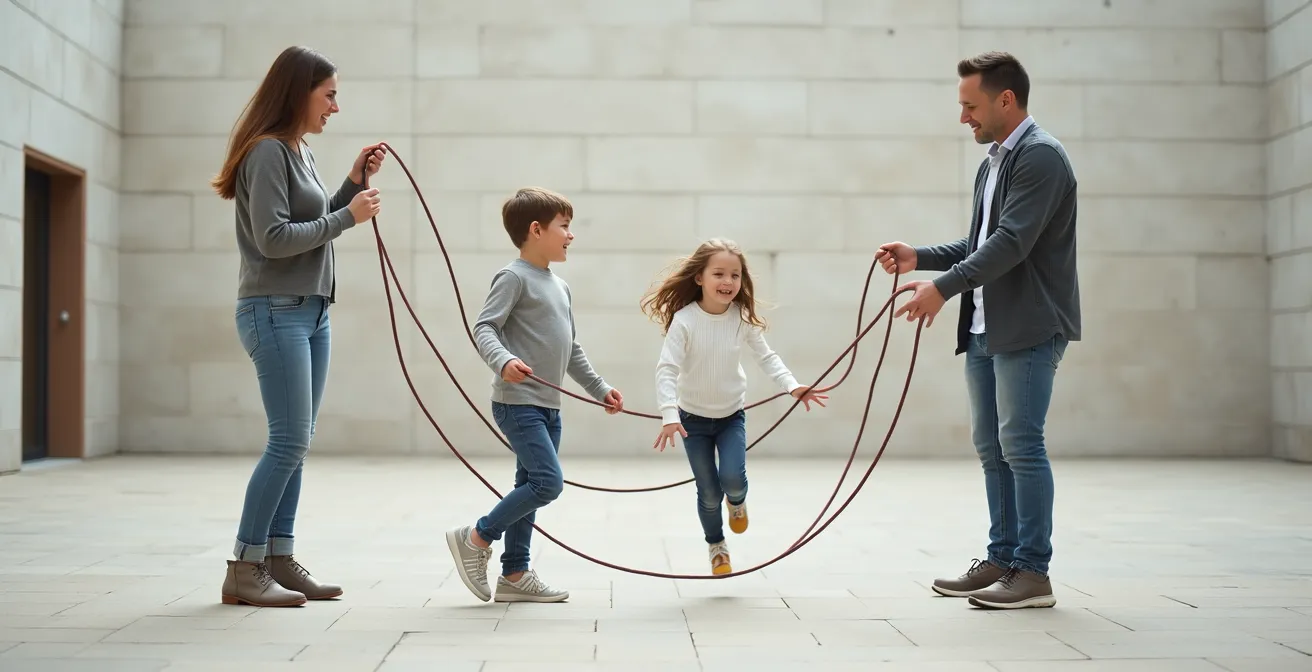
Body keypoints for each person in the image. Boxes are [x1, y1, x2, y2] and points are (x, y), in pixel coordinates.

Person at [876, 51, 1080, 610]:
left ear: (1005, 100)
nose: (963, 116)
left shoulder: (1041, 159)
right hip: (989, 326)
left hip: (1030, 324)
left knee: (1021, 445)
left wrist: (942, 289)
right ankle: (1003, 557)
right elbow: (981, 244)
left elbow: (1013, 244)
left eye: (970, 105)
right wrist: (919, 257)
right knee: (992, 448)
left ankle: (1033, 572)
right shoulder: (993, 162)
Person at [211, 45, 386, 607]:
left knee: (297, 443)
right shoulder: (266, 153)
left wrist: (351, 185)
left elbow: (311, 220)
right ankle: (244, 566)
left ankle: (277, 556)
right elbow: (274, 238)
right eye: (329, 94)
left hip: (309, 312)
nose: (336, 106)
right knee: (287, 441)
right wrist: (347, 217)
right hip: (274, 309)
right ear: (299, 92)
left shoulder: (298, 151)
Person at [445, 187, 625, 603]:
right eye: (565, 226)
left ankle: (515, 574)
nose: (571, 235)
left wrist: (599, 389)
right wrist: (503, 361)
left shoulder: (560, 286)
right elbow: (484, 327)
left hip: (548, 406)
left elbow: (571, 348)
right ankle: (476, 537)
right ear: (536, 230)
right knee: (548, 482)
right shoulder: (513, 277)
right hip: (517, 402)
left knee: (529, 482)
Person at [641, 239, 828, 575]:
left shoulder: (741, 318)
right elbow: (666, 368)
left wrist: (792, 385)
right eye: (719, 274)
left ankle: (738, 502)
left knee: (733, 480)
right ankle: (716, 545)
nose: (728, 282)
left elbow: (766, 356)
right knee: (708, 492)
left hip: (730, 418)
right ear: (699, 277)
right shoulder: (684, 321)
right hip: (692, 422)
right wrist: (669, 414)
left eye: (735, 275)